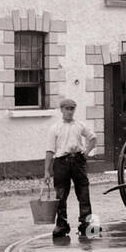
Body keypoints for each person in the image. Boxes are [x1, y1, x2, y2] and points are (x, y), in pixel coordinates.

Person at [43, 98, 97, 241]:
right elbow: (49, 150)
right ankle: (61, 225)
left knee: (83, 192)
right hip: (61, 162)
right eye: (66, 109)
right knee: (60, 195)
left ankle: (86, 223)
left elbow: (93, 138)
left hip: (78, 161)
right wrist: (47, 171)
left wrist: (86, 153)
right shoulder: (55, 128)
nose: (69, 111)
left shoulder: (79, 125)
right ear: (61, 110)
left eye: (72, 109)